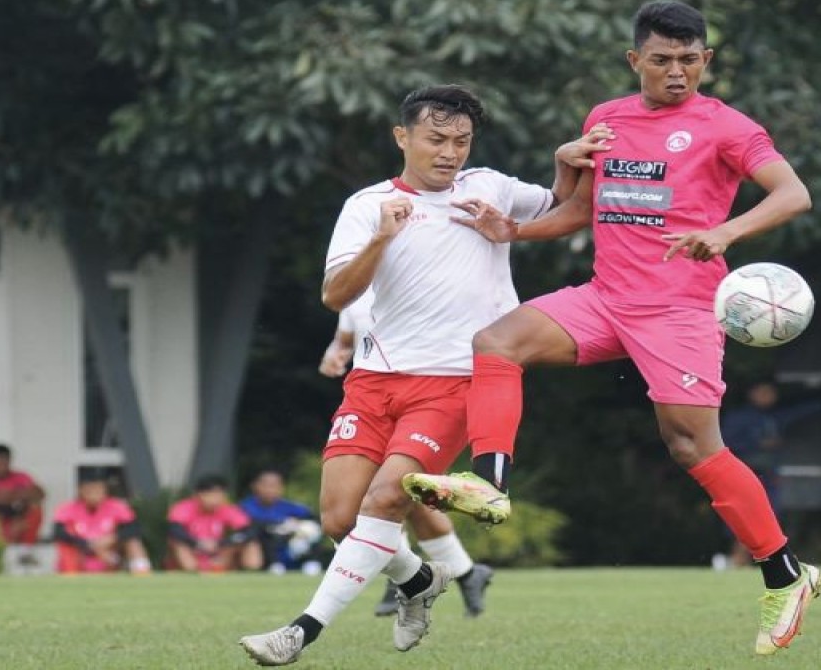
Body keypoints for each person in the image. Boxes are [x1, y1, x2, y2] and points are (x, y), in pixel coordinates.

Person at [403, 0, 821, 656]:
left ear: (706, 61)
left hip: (680, 310)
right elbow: (577, 209)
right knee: (495, 342)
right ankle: (489, 483)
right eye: (662, 60)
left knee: (691, 447)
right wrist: (519, 219)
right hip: (606, 298)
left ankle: (785, 573)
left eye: (690, 60)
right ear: (636, 62)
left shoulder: (726, 127)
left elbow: (793, 193)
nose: (677, 72)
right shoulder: (607, 118)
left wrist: (725, 231)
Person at [238, 85, 609, 666]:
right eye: (436, 139)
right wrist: (383, 238)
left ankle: (300, 632)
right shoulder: (368, 206)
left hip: (457, 383)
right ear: (402, 137)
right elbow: (336, 294)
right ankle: (418, 582)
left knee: (386, 500)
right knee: (339, 517)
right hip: (374, 381)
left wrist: (567, 162)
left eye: (461, 141)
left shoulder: (489, 186)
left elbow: (560, 206)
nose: (450, 152)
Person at [322, 289, 495, 617]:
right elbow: (344, 338)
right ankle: (463, 574)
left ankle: (408, 577)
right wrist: (336, 352)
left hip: (422, 402)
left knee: (394, 493)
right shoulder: (355, 291)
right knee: (399, 499)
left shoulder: (424, 286)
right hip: (370, 402)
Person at [715, 381, 821, 568]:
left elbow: (801, 411)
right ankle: (737, 558)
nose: (768, 396)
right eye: (763, 392)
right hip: (746, 473)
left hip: (769, 477)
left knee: (767, 517)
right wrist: (758, 444)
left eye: (771, 392)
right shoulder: (739, 418)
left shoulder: (774, 417)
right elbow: (724, 444)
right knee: (745, 516)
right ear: (752, 393)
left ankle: (744, 559)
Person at [52, 473, 153, 575]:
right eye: (90, 489)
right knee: (66, 546)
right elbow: (59, 533)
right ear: (81, 490)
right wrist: (90, 545)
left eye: (98, 489)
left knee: (133, 543)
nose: (94, 493)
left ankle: (142, 575)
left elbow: (133, 529)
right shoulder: (68, 509)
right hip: (81, 551)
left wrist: (113, 538)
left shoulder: (117, 506)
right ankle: (70, 576)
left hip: (110, 552)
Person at [167, 475, 261, 572]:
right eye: (210, 494)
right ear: (198, 495)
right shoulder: (183, 508)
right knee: (177, 543)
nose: (215, 499)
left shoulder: (227, 509)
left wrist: (222, 543)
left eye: (219, 495)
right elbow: (174, 530)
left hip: (218, 550)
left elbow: (249, 531)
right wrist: (198, 543)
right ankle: (192, 571)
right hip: (193, 547)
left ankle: (251, 572)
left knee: (251, 543)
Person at [240, 469, 325, 575]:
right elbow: (252, 526)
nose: (270, 490)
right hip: (265, 550)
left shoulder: (289, 506)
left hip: (291, 545)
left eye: (275, 485)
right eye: (266, 485)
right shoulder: (247, 506)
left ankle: (312, 563)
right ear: (255, 486)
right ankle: (274, 565)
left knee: (310, 529)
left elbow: (314, 518)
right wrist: (282, 525)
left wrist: (296, 526)